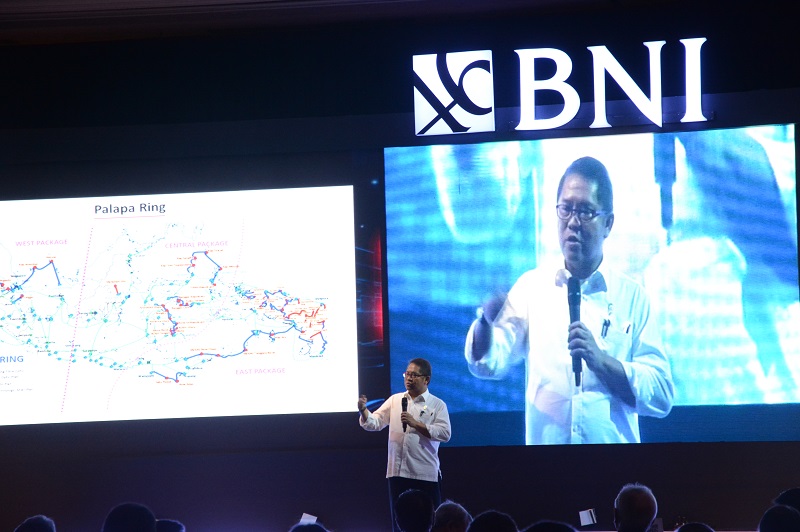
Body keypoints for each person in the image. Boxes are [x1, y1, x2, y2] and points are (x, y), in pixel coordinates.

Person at [465, 156, 674, 444]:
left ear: (608, 223)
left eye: (586, 211)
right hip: (547, 464)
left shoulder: (632, 295)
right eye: (566, 209)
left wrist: (602, 361)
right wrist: (485, 321)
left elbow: (661, 394)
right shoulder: (532, 287)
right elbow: (488, 363)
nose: (573, 222)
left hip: (615, 463)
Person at [358, 357, 452, 532]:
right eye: (407, 374)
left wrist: (416, 424)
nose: (409, 378)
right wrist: (364, 410)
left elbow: (445, 433)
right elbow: (375, 423)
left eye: (414, 375)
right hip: (398, 473)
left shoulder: (437, 405)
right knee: (400, 524)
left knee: (430, 523)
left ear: (426, 379)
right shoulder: (395, 400)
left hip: (424, 473)